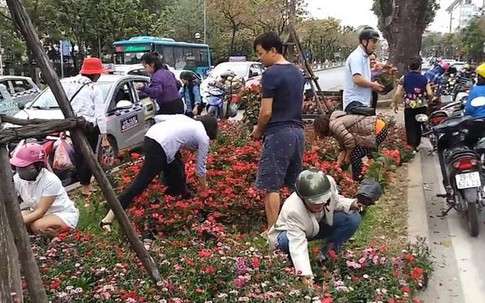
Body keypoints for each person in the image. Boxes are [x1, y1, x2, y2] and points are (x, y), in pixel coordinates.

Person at [100, 114, 218, 232]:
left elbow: (158, 118)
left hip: (151, 136)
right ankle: (108, 219)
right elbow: (200, 171)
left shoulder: (185, 119)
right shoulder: (203, 137)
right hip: (160, 148)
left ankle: (178, 203)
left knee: (177, 172)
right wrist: (205, 193)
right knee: (139, 184)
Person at [268, 169, 362, 288]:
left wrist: (352, 204)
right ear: (303, 198)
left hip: (315, 226)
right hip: (288, 234)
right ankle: (290, 262)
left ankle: (326, 256)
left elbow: (335, 201)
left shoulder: (329, 184)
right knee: (286, 242)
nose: (320, 205)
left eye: (322, 201)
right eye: (314, 203)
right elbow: (297, 243)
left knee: (353, 218)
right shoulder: (293, 210)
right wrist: (305, 274)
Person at [251, 32, 305, 235]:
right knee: (293, 185)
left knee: (270, 185)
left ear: (273, 51)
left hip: (279, 133)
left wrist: (258, 130)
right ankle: (296, 226)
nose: (259, 57)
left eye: (261, 53)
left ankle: (273, 230)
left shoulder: (271, 74)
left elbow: (266, 112)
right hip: (298, 132)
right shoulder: (297, 72)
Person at [10, 143, 79, 237]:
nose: (21, 170)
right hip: (40, 214)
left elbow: (40, 211)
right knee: (20, 215)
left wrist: (15, 222)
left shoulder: (50, 181)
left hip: (61, 214)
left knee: (37, 226)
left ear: (38, 166)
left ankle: (62, 236)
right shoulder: (18, 179)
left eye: (26, 167)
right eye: (19, 167)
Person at [64, 57, 109, 196]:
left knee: (80, 155)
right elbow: (100, 114)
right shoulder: (94, 88)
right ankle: (85, 186)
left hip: (73, 124)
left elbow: (64, 105)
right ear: (95, 74)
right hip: (89, 126)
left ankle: (86, 184)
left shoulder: (68, 83)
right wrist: (104, 136)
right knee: (88, 155)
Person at [313, 112, 387, 181]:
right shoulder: (334, 125)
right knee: (354, 153)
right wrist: (336, 167)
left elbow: (350, 141)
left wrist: (347, 157)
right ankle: (360, 176)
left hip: (377, 130)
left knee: (355, 155)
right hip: (375, 128)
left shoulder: (335, 126)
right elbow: (344, 148)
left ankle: (358, 180)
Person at [392, 57, 433, 151]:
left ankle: (411, 145)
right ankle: (417, 144)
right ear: (419, 67)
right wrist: (429, 101)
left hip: (409, 105)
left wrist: (395, 104)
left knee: (410, 125)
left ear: (409, 67)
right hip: (421, 105)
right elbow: (430, 93)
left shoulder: (404, 78)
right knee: (418, 125)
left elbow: (398, 93)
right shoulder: (424, 78)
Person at [343, 27, 384, 114]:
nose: (375, 45)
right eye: (373, 41)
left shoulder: (365, 57)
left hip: (362, 102)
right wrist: (373, 85)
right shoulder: (356, 57)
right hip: (355, 103)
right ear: (365, 41)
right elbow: (357, 79)